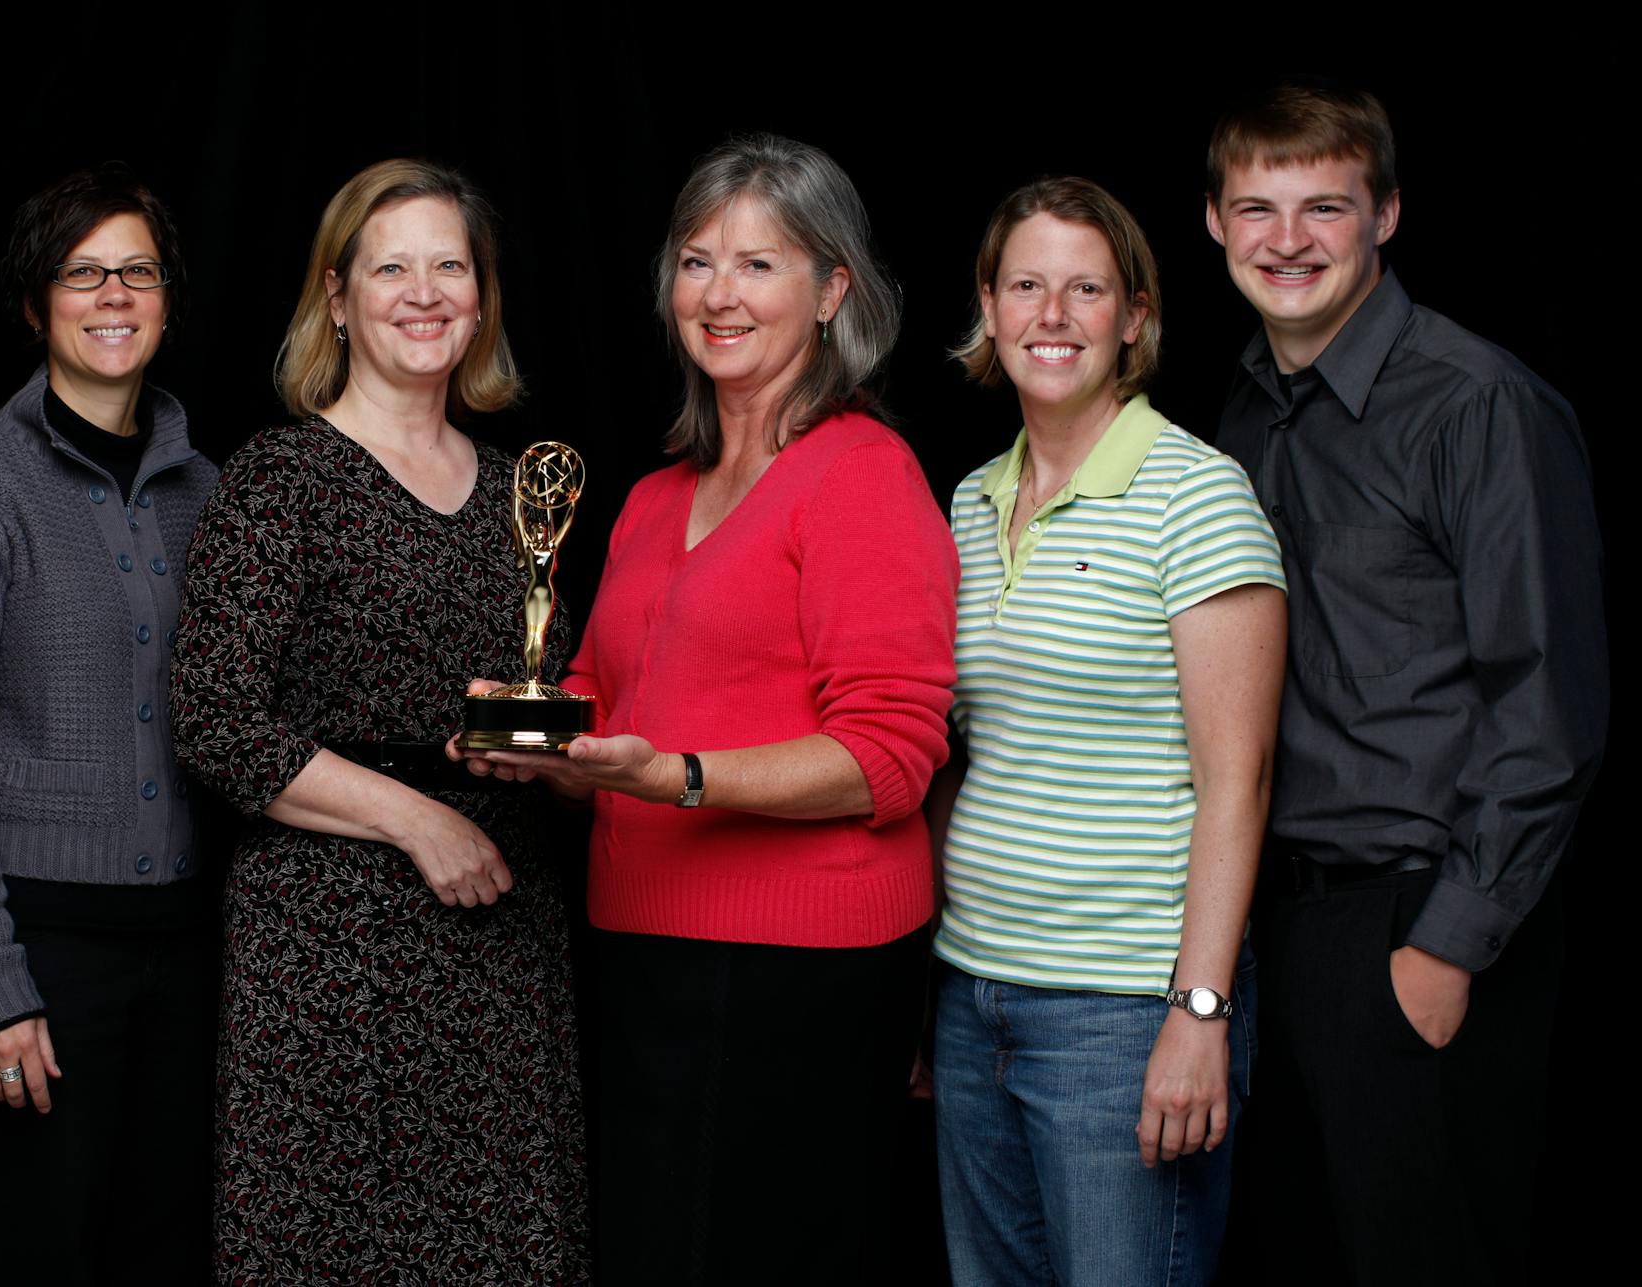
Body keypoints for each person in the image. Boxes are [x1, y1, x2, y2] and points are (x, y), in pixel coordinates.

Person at [460, 134, 953, 1284]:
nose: (719, 294)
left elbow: (889, 759)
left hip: (799, 965)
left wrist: (675, 775)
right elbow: (615, 692)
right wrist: (532, 723)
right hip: (643, 950)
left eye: (760, 264)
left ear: (835, 291)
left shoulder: (862, 474)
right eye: (696, 261)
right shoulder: (651, 495)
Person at [1208, 81, 1606, 1286]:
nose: (1288, 239)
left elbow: (1549, 705)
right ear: (1216, 225)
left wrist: (1447, 946)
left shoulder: (1477, 403)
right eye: (1257, 207)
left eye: (1324, 205)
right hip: (1273, 931)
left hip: (1418, 923)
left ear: (1385, 216)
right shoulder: (1240, 420)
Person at [169, 158, 588, 1282]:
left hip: (501, 937)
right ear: (338, 297)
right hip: (327, 953)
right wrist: (418, 822)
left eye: (449, 264)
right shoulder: (279, 478)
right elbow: (214, 722)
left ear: (482, 296)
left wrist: (547, 765)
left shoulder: (523, 495)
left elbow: (541, 701)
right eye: (389, 265)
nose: (423, 290)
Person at [927, 176, 1286, 1287]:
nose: (1052, 314)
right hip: (973, 996)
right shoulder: (970, 502)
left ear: (1134, 315)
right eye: (1026, 285)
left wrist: (1200, 1012)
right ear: (989, 307)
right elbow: (964, 755)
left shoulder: (1198, 494)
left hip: (1124, 1015)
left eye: (1086, 289)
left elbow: (1242, 778)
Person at [0, 163, 220, 1283]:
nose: (114, 296)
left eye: (137, 272)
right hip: (39, 956)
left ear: (169, 300)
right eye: (83, 275)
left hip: (186, 954)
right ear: (37, 306)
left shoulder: (212, 492)